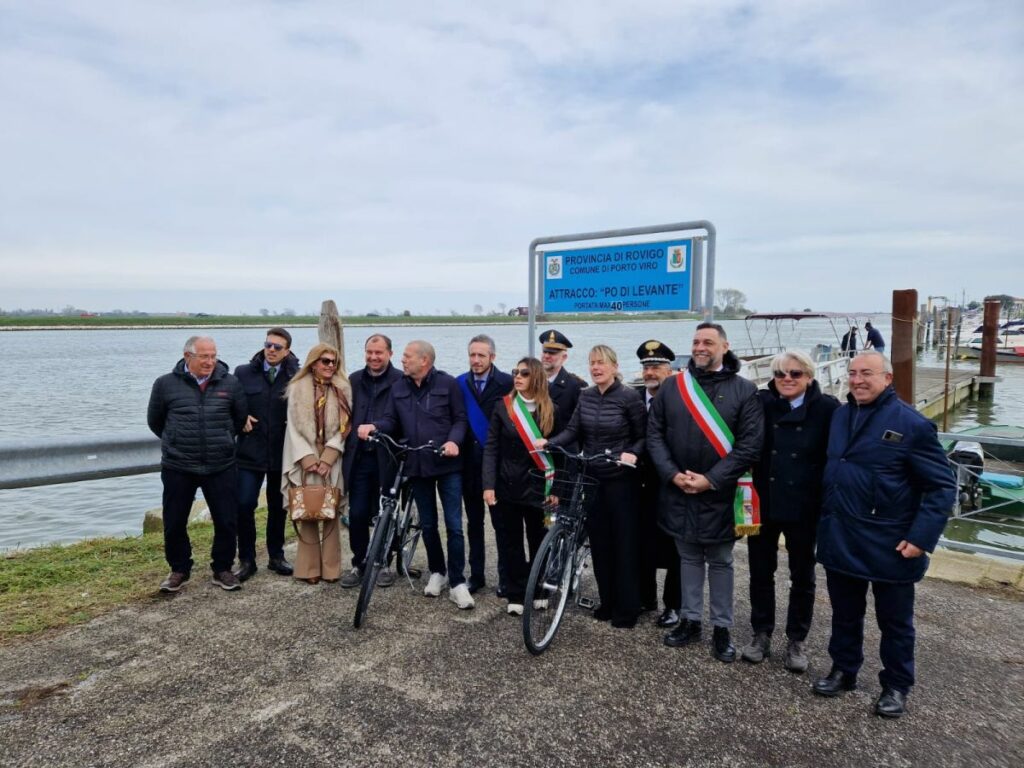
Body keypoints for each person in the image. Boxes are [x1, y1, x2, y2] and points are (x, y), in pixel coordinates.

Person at [813, 352, 955, 718]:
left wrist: (922, 538)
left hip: (890, 541)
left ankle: (896, 684)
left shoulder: (912, 424)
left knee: (895, 622)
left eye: (867, 374)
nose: (857, 380)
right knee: (845, 613)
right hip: (841, 533)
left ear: (888, 378)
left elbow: (941, 486)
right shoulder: (841, 415)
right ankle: (844, 670)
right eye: (852, 373)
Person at [648, 322, 764, 662]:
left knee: (721, 562)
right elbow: (654, 434)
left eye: (708, 342)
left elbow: (749, 446)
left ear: (724, 347)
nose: (700, 347)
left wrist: (710, 479)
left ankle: (722, 629)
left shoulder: (745, 390)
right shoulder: (672, 388)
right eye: (696, 341)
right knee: (687, 559)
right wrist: (672, 475)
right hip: (679, 489)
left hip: (720, 493)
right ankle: (690, 620)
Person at [741, 350, 839, 672]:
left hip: (805, 506)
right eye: (781, 373)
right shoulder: (760, 402)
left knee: (802, 576)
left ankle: (796, 639)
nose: (787, 379)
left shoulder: (827, 408)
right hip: (763, 501)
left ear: (809, 377)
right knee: (760, 570)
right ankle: (761, 632)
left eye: (795, 373)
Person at [540, 345, 646, 628]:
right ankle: (606, 602)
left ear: (614, 366)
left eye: (601, 363)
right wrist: (550, 442)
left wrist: (632, 453)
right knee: (600, 544)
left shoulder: (629, 397)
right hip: (593, 478)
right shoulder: (585, 396)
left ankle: (627, 608)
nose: (596, 368)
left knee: (623, 544)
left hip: (621, 480)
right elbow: (574, 430)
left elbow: (642, 436)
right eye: (592, 363)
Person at [147, 336, 247, 592]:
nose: (210, 361)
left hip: (220, 464)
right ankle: (179, 569)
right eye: (204, 356)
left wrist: (223, 440)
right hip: (179, 465)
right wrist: (177, 442)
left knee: (226, 520)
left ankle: (222, 568)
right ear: (187, 356)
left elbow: (239, 419)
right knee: (174, 521)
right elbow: (155, 421)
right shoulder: (165, 384)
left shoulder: (230, 383)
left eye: (213, 356)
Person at [391, 340, 473, 609]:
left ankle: (458, 581)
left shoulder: (447, 384)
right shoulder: (399, 387)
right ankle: (437, 572)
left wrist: (453, 442)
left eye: (407, 356)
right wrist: (374, 425)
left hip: (448, 465)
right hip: (417, 465)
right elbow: (391, 420)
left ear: (424, 360)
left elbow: (460, 419)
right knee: (427, 524)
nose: (402, 360)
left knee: (453, 525)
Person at [482, 357, 559, 615]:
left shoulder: (552, 409)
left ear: (536, 377)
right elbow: (491, 447)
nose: (517, 376)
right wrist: (488, 484)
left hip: (539, 488)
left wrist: (557, 489)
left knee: (539, 541)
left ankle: (540, 590)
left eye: (524, 373)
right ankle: (515, 592)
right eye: (516, 372)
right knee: (511, 542)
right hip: (508, 486)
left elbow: (560, 453)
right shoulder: (504, 407)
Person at [232, 327, 299, 581]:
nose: (271, 350)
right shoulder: (242, 373)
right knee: (245, 505)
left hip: (281, 453)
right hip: (250, 452)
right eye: (268, 345)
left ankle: (276, 556)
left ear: (287, 351)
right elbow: (229, 401)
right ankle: (247, 560)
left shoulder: (296, 376)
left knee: (277, 507)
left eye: (277, 347)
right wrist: (239, 417)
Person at [282, 344, 352, 585]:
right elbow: (293, 427)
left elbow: (346, 426)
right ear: (313, 363)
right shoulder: (296, 389)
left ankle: (332, 569)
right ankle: (308, 567)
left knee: (331, 511)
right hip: (305, 458)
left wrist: (329, 456)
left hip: (332, 458)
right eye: (325, 361)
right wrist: (308, 458)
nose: (330, 366)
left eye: (334, 362)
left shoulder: (343, 389)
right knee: (308, 510)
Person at [340, 334, 403, 589]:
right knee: (357, 513)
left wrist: (379, 428)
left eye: (379, 352)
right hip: (359, 456)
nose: (374, 357)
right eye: (369, 352)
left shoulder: (400, 381)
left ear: (389, 353)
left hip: (387, 455)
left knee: (384, 512)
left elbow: (401, 417)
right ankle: (359, 562)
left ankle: (384, 561)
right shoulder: (354, 379)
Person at [457, 335, 514, 595]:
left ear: (492, 356)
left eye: (481, 355)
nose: (476, 360)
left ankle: (505, 578)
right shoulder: (459, 384)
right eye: (472, 355)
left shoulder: (508, 383)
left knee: (501, 525)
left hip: (496, 467)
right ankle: (476, 576)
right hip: (468, 466)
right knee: (474, 524)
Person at [634, 340, 683, 628]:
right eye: (647, 367)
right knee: (643, 543)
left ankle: (673, 605)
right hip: (641, 483)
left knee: (675, 548)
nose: (650, 372)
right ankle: (645, 597)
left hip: (671, 482)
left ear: (670, 369)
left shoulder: (682, 399)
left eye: (656, 367)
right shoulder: (634, 397)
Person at [539, 329, 586, 428]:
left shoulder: (576, 386)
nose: (547, 356)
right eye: (545, 352)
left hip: (561, 442)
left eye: (552, 353)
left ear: (564, 357)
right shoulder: (532, 382)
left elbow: (580, 425)